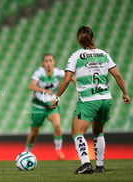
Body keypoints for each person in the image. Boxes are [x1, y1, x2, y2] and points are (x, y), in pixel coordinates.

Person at [50, 26, 130, 174]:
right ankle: (100, 166)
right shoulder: (104, 54)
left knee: (77, 131)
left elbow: (67, 80)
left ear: (78, 40)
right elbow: (118, 76)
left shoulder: (76, 56)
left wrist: (56, 97)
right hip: (106, 99)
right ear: (92, 39)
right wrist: (125, 93)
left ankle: (86, 163)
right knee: (98, 132)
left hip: (88, 100)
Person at [25, 53, 75, 160]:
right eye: (46, 61)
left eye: (50, 60)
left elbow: (69, 76)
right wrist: (44, 90)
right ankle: (27, 152)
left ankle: (58, 150)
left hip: (51, 105)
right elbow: (31, 85)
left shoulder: (58, 72)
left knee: (57, 125)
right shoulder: (39, 73)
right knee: (34, 132)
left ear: (54, 62)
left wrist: (76, 83)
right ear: (42, 63)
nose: (48, 63)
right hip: (38, 106)